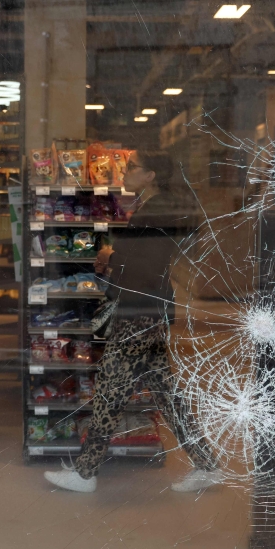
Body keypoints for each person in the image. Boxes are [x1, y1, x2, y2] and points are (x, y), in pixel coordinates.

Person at [43, 149, 223, 493]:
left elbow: (147, 262)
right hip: (149, 309)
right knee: (167, 395)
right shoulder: (156, 205)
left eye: (133, 168)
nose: (125, 171)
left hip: (138, 311)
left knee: (111, 390)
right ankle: (208, 464)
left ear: (152, 175)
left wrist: (112, 257)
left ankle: (85, 473)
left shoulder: (158, 210)